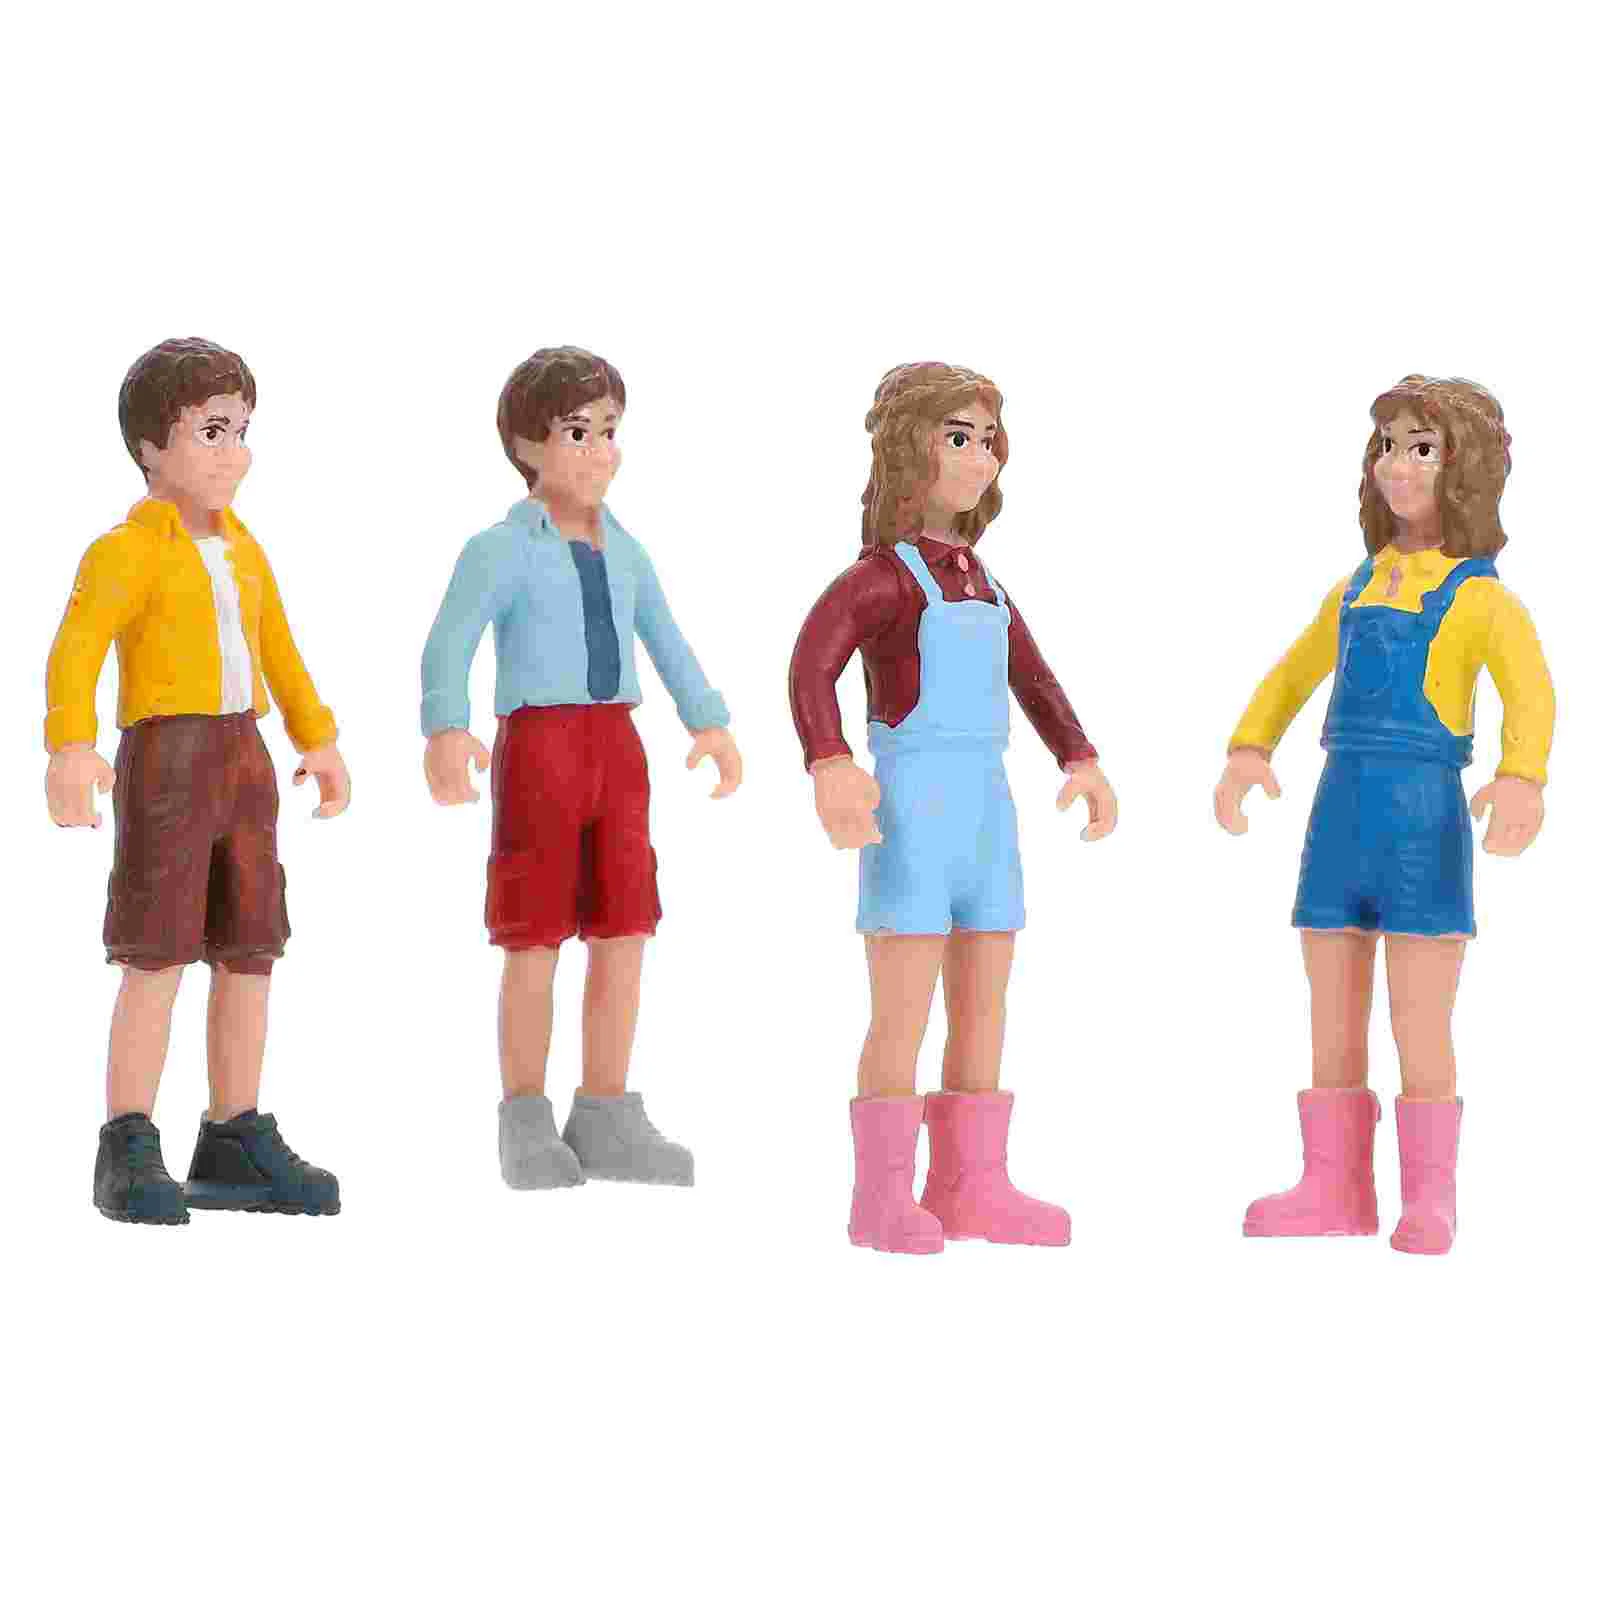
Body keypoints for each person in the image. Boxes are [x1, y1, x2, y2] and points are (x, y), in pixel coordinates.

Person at [1214, 375, 1554, 1255]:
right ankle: (1333, 1186)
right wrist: (1249, 746)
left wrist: (1522, 777)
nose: (1397, 465)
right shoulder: (1358, 585)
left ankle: (1430, 1200)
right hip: (1339, 814)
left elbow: (1531, 691)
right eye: (1389, 446)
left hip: (1422, 821)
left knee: (1420, 1016)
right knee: (1330, 1008)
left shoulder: (1481, 597)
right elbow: (1295, 671)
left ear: (1465, 470)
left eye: (1422, 448)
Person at [789, 361, 1118, 1254]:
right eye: (958, 438)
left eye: (987, 441)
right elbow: (811, 664)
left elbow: (1034, 679)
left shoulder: (985, 583)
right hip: (910, 813)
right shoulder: (882, 581)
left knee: (984, 1004)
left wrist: (1081, 758)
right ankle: (880, 1198)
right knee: (901, 1010)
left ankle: (972, 1185)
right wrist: (830, 761)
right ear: (910, 450)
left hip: (988, 813)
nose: (979, 458)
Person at [421, 346, 742, 1191]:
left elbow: (666, 639)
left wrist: (709, 719)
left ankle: (605, 1110)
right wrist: (446, 728)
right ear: (527, 445)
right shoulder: (499, 549)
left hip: (618, 750)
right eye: (577, 432)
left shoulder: (628, 550)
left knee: (626, 927)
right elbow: (449, 642)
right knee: (533, 935)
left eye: (609, 430)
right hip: (541, 749)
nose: (600, 451)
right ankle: (524, 1117)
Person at [45, 336, 350, 1225]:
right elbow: (77, 649)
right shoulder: (126, 551)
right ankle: (127, 1139)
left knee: (251, 947)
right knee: (157, 951)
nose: (234, 453)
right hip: (168, 764)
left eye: (242, 432)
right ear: (150, 447)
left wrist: (319, 739)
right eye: (211, 431)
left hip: (245, 761)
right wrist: (70, 745)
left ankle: (232, 1132)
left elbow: (280, 651)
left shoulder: (246, 552)